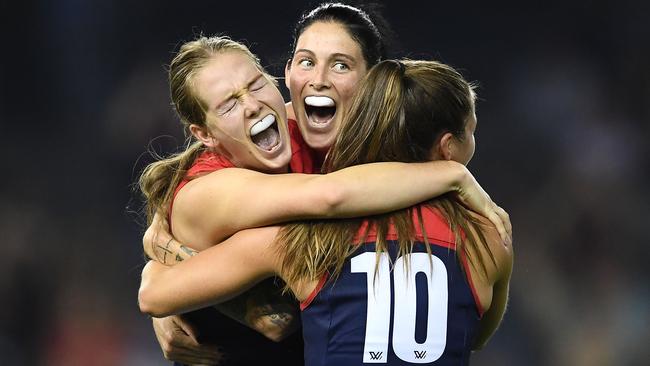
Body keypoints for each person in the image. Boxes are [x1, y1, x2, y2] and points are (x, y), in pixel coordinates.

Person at [142, 4, 509, 365]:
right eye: (306, 61)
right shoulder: (213, 189)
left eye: (341, 65)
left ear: (373, 83)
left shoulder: (304, 128)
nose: (318, 79)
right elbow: (331, 197)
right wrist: (452, 174)